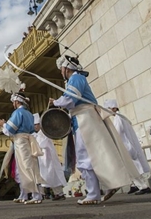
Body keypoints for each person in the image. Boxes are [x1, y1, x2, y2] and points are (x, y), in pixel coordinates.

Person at [49, 56, 141, 205]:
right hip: (83, 118)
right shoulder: (77, 79)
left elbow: (70, 99)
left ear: (66, 68)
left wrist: (56, 102)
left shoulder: (75, 78)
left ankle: (93, 194)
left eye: (61, 69)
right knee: (95, 154)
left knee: (85, 156)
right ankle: (105, 185)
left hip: (85, 119)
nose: (61, 72)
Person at [0, 92, 45, 204]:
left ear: (17, 102)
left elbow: (9, 130)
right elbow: (32, 129)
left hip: (20, 141)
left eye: (13, 102)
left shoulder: (18, 112)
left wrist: (3, 124)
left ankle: (36, 195)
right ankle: (24, 194)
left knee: (26, 167)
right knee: (24, 167)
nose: (13, 104)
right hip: (28, 139)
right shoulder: (29, 114)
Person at [105, 99, 151, 195]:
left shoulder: (118, 118)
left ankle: (143, 186)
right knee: (132, 168)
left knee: (132, 168)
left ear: (113, 108)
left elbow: (117, 132)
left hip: (126, 146)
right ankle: (135, 185)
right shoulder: (122, 117)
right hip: (128, 145)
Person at [32, 113, 67, 200]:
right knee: (47, 176)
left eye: (36, 125)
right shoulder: (39, 134)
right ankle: (55, 193)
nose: (35, 127)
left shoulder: (44, 133)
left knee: (51, 176)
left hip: (48, 158)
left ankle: (45, 194)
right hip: (43, 158)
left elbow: (42, 144)